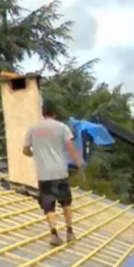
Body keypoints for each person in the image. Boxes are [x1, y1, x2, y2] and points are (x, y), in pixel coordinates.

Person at [23, 101, 85, 246]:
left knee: (49, 205)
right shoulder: (62, 128)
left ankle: (55, 235)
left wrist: (35, 154)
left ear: (43, 114)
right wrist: (79, 164)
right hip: (60, 172)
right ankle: (70, 232)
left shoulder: (33, 129)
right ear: (55, 114)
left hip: (44, 175)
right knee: (65, 202)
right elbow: (71, 148)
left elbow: (25, 150)